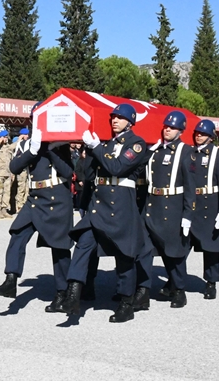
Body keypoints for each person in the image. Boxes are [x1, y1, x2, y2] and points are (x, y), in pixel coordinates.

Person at [63, 103, 152, 322]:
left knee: (124, 255)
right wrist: (90, 151)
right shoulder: (107, 143)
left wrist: (96, 147)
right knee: (84, 244)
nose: (114, 120)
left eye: (119, 118)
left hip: (121, 205)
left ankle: (125, 303)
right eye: (113, 117)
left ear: (130, 122)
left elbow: (117, 168)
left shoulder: (137, 144)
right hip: (99, 205)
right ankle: (73, 293)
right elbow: (90, 174)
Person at [0, 123, 74, 301]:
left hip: (56, 196)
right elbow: (14, 168)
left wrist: (49, 149)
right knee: (17, 233)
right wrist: (33, 149)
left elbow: (68, 171)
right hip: (35, 197)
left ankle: (63, 292)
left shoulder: (60, 144)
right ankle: (11, 279)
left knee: (59, 245)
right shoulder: (26, 144)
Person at [143, 110, 196, 309]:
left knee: (174, 252)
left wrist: (187, 215)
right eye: (166, 126)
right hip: (153, 204)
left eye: (172, 128)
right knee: (148, 250)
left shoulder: (186, 151)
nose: (167, 130)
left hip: (172, 205)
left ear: (180, 131)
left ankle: (179, 290)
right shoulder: (155, 150)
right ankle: (142, 290)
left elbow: (191, 187)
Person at [186, 119, 219, 300]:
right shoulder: (190, 153)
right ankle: (176, 279)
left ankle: (211, 282)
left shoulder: (218, 155)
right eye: (197, 133)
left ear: (211, 137)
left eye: (203, 134)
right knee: (182, 244)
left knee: (211, 246)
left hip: (210, 203)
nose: (199, 136)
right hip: (191, 202)